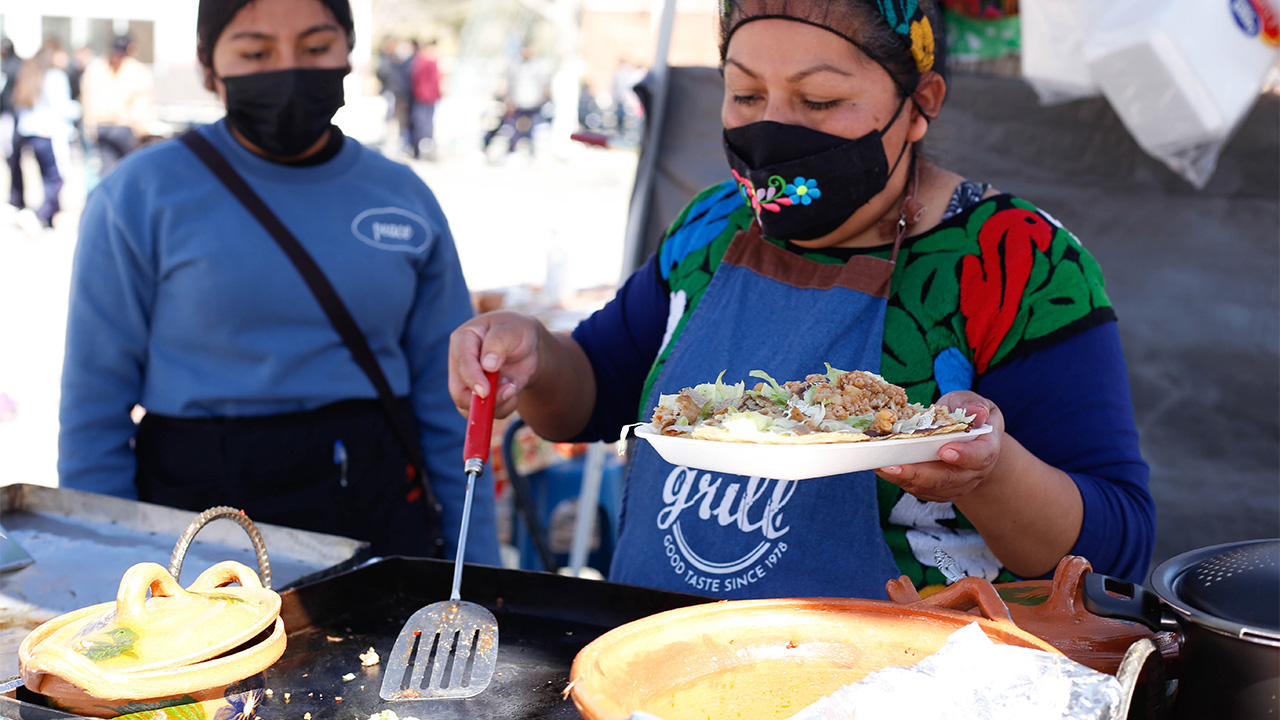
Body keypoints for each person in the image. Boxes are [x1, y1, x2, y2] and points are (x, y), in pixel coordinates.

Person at [449, 0, 1154, 600]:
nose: (773, 128)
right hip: (656, 666)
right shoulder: (710, 225)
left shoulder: (1013, 260)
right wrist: (534, 355)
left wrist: (990, 470)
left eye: (819, 101)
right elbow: (593, 393)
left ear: (920, 105)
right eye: (746, 95)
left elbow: (1115, 551)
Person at [59, 0, 500, 565]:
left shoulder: (403, 197)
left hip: (374, 503)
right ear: (207, 64)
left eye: (316, 48)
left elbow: (454, 406)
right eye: (255, 52)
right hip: (196, 520)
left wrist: (480, 567)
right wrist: (107, 568)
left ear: (348, 51)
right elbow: (92, 412)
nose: (288, 69)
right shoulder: (138, 196)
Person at [8, 38, 79, 230]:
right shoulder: (54, 76)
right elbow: (62, 107)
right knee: (57, 176)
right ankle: (41, 214)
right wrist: (81, 109)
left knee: (46, 176)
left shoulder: (31, 74)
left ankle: (46, 217)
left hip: (31, 132)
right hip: (50, 132)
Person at [80, 34, 155, 177]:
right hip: (121, 127)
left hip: (111, 126)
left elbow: (88, 99)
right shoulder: (136, 70)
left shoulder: (96, 68)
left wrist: (90, 125)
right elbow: (142, 105)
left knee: (111, 173)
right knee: (125, 173)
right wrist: (142, 130)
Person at [408, 39, 441, 160]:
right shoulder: (427, 61)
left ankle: (421, 150)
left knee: (424, 124)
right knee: (423, 124)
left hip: (424, 96)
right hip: (424, 96)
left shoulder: (421, 61)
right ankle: (422, 150)